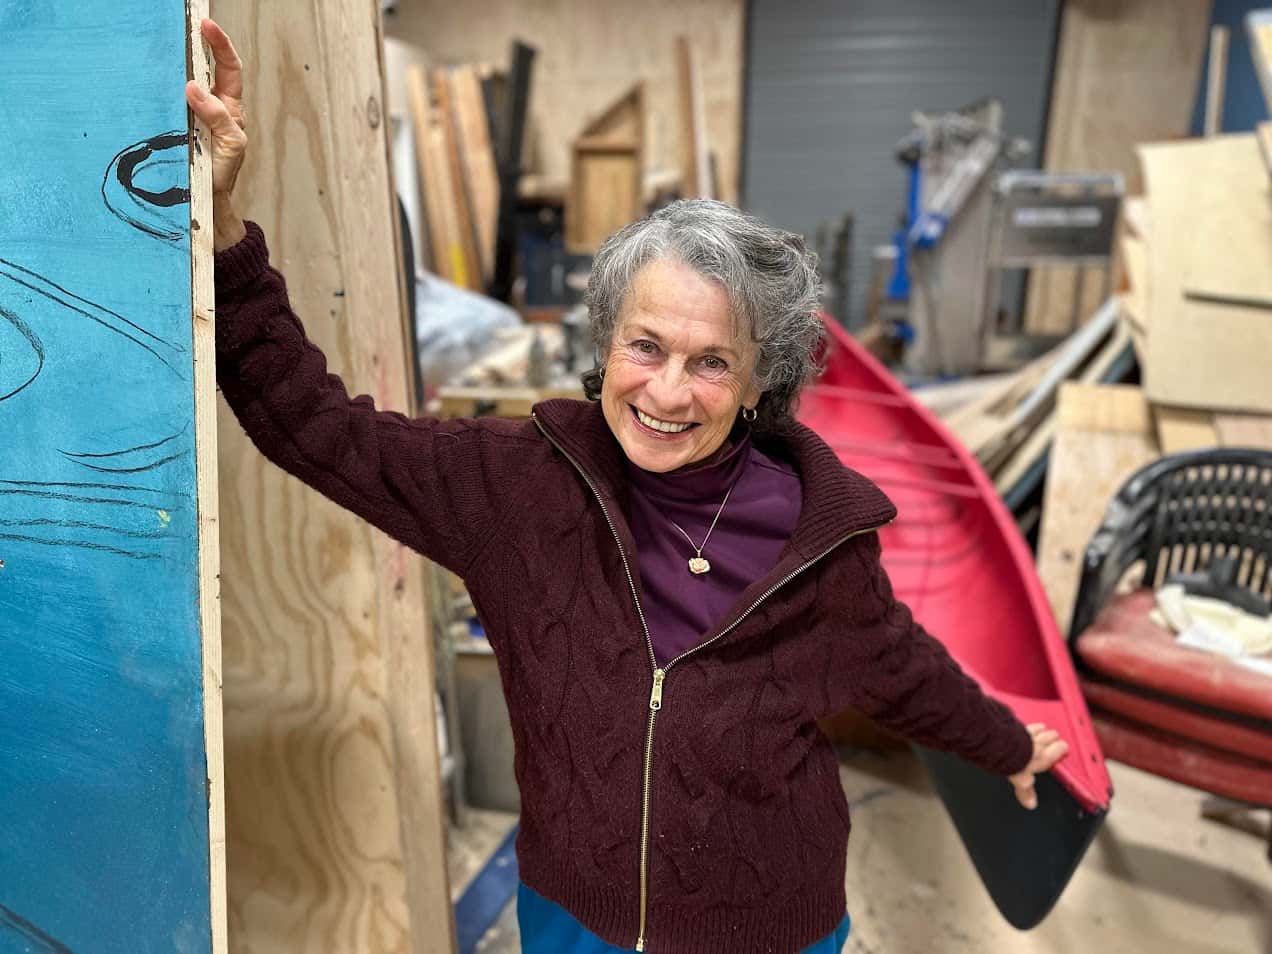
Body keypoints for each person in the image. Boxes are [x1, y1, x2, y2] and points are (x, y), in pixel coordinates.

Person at [187, 19, 1068, 954]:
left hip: (771, 928)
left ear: (761, 382)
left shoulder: (820, 539)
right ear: (604, 340)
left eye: (713, 362)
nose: (668, 391)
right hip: (577, 919)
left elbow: (903, 671)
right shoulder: (513, 487)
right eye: (645, 346)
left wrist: (1011, 747)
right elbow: (314, 426)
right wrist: (229, 225)